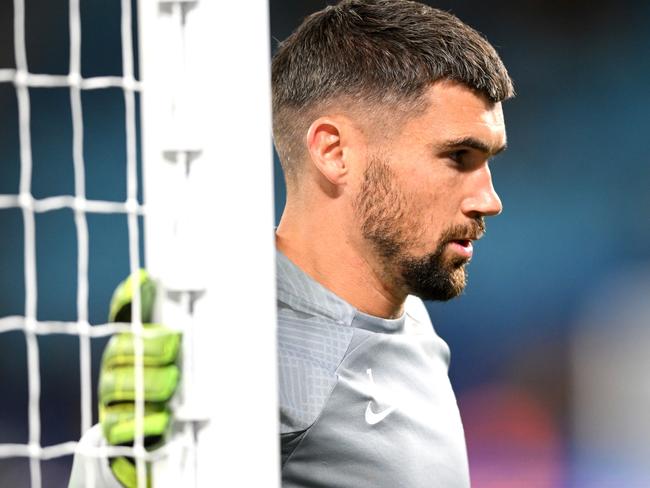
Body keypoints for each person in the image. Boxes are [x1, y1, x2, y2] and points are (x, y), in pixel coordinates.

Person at [69, 1, 514, 486]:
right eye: (458, 156)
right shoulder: (242, 349)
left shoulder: (404, 307)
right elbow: (138, 459)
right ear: (334, 151)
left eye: (487, 160)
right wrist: (112, 466)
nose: (490, 200)